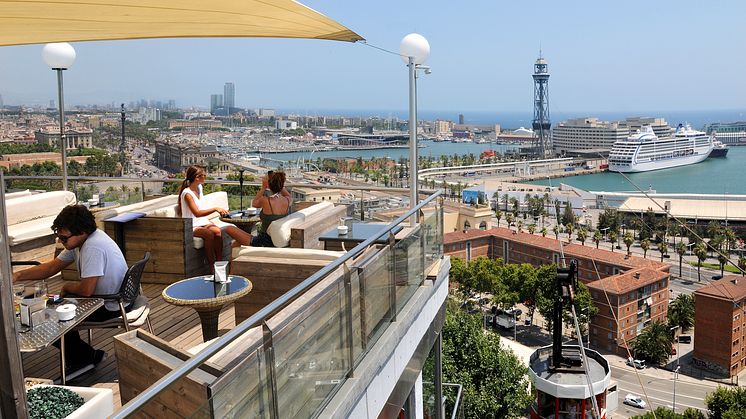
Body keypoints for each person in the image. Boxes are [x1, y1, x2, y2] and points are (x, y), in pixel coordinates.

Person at [13, 205, 128, 376]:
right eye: (58, 237)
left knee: (46, 318)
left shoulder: (93, 247)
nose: (60, 241)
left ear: (81, 232)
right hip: (110, 299)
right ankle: (87, 356)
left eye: (64, 238)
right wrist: (18, 275)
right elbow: (51, 268)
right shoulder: (81, 242)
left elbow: (86, 290)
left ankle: (82, 360)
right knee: (50, 308)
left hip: (110, 304)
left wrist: (67, 287)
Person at [177, 165, 251, 265]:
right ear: (196, 177)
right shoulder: (187, 194)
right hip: (191, 225)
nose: (205, 177)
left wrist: (208, 221)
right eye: (203, 175)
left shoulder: (199, 187)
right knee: (208, 234)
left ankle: (219, 263)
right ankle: (212, 266)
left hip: (201, 221)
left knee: (217, 232)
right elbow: (197, 213)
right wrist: (215, 209)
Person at [244, 171, 292, 247]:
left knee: (229, 229)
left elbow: (254, 203)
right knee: (237, 243)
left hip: (264, 241)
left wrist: (263, 187)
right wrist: (279, 184)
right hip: (276, 240)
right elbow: (288, 195)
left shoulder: (265, 200)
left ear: (268, 185)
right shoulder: (287, 200)